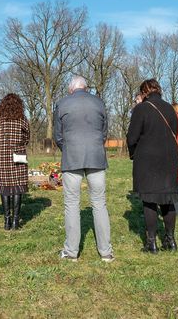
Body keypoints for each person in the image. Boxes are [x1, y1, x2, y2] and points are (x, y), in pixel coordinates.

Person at [54, 76, 114, 262]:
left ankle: (71, 251)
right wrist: (96, 144)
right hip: (96, 156)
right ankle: (106, 252)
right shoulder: (99, 102)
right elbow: (104, 131)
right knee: (99, 203)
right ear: (85, 88)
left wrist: (69, 148)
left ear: (71, 89)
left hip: (72, 157)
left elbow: (58, 135)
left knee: (71, 203)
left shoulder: (62, 103)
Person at [126, 78, 178, 254]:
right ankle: (170, 240)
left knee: (150, 199)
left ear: (144, 92)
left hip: (147, 159)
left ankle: (151, 244)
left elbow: (132, 137)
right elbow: (175, 133)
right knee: (168, 198)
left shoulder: (141, 109)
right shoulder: (170, 109)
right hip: (169, 158)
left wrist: (133, 153)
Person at [0, 93, 30, 230]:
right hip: (18, 155)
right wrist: (19, 144)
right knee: (17, 187)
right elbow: (27, 137)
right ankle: (15, 221)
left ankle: (6, 221)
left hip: (2, 156)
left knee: (4, 188)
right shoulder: (22, 119)